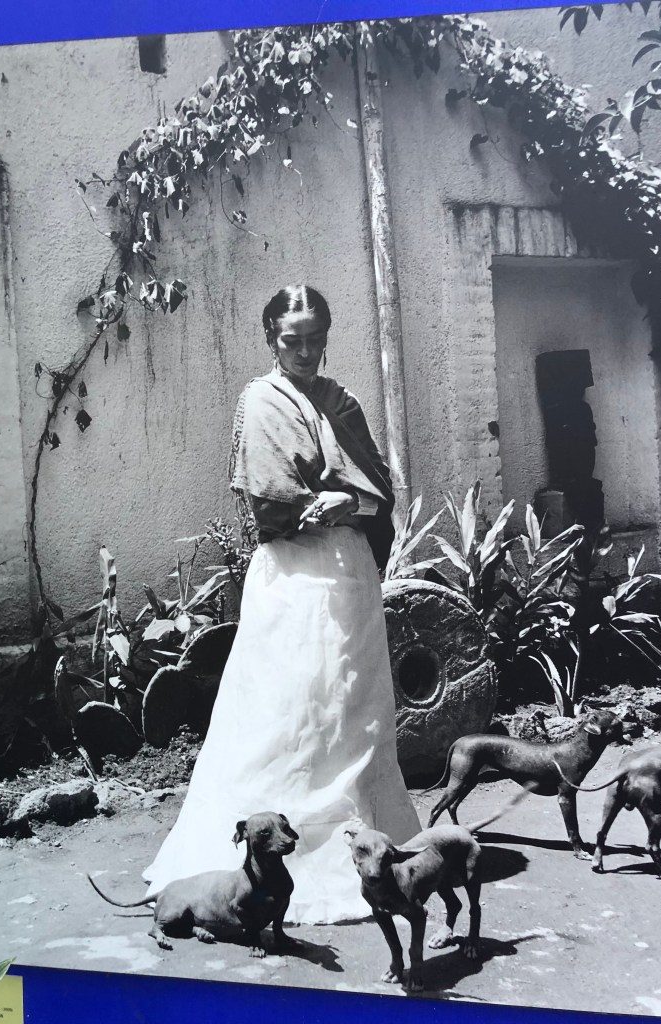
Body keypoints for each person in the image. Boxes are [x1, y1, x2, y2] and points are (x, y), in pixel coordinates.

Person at [143, 284, 420, 925]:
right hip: (293, 576)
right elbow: (267, 504)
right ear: (271, 337)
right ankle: (266, 861)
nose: (305, 352)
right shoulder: (261, 400)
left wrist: (352, 501)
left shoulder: (341, 401)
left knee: (350, 709)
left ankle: (364, 847)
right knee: (286, 710)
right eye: (292, 340)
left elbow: (380, 489)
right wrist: (315, 506)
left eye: (315, 339)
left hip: (350, 576)